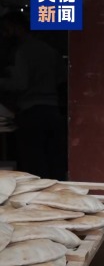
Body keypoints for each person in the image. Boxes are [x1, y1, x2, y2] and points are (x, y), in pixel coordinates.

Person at [0, 11, 67, 180]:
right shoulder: (49, 50)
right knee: (54, 162)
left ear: (15, 27)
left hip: (31, 113)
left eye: (6, 29)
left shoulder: (23, 51)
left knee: (34, 167)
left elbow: (21, 83)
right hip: (52, 110)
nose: (4, 34)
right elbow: (62, 78)